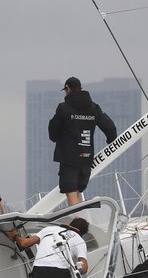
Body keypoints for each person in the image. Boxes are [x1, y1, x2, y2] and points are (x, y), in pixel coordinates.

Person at [48, 77, 117, 206]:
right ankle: (82, 221)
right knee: (78, 192)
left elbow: (53, 133)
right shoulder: (94, 108)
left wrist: (57, 137)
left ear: (68, 88)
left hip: (69, 158)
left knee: (71, 193)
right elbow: (110, 127)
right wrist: (111, 140)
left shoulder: (64, 108)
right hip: (86, 157)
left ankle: (78, 224)